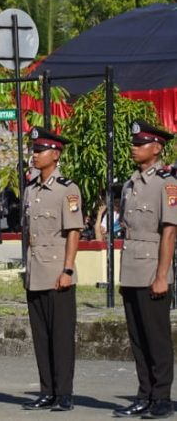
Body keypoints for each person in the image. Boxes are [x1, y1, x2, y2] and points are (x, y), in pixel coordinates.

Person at [113, 121, 177, 419]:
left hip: (153, 268)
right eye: (133, 143)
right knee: (137, 337)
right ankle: (144, 394)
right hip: (131, 268)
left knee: (157, 336)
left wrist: (162, 275)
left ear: (157, 148)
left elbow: (169, 232)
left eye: (140, 144)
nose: (134, 148)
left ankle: (161, 396)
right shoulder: (130, 184)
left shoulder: (166, 183)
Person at [21, 127, 82, 412]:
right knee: (41, 335)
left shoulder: (67, 189)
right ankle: (47, 390)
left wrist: (67, 270)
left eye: (39, 150)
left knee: (60, 336)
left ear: (55, 155)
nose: (34, 155)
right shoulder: (30, 190)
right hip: (35, 273)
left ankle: (64, 393)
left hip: (58, 272)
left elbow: (72, 232)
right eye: (33, 150)